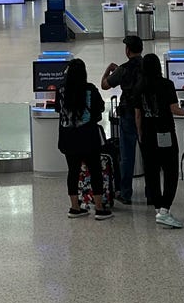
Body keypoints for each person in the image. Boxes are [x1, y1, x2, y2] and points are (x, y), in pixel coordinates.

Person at [137, 53, 184, 229]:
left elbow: (138, 115)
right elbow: (173, 109)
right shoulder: (167, 84)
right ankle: (165, 210)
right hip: (165, 133)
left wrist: (141, 135)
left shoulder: (139, 86)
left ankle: (159, 209)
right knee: (171, 171)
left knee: (151, 173)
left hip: (148, 135)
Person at [53, 59, 110, 220]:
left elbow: (58, 109)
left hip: (68, 139)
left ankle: (75, 207)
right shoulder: (90, 89)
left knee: (73, 172)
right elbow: (100, 108)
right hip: (88, 138)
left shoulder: (61, 90)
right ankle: (99, 208)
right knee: (95, 172)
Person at [100, 35, 144, 205]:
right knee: (148, 154)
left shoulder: (123, 69)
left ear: (127, 51)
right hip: (145, 114)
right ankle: (151, 193)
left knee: (127, 155)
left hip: (128, 114)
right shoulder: (146, 66)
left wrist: (109, 69)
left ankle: (125, 193)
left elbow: (104, 85)